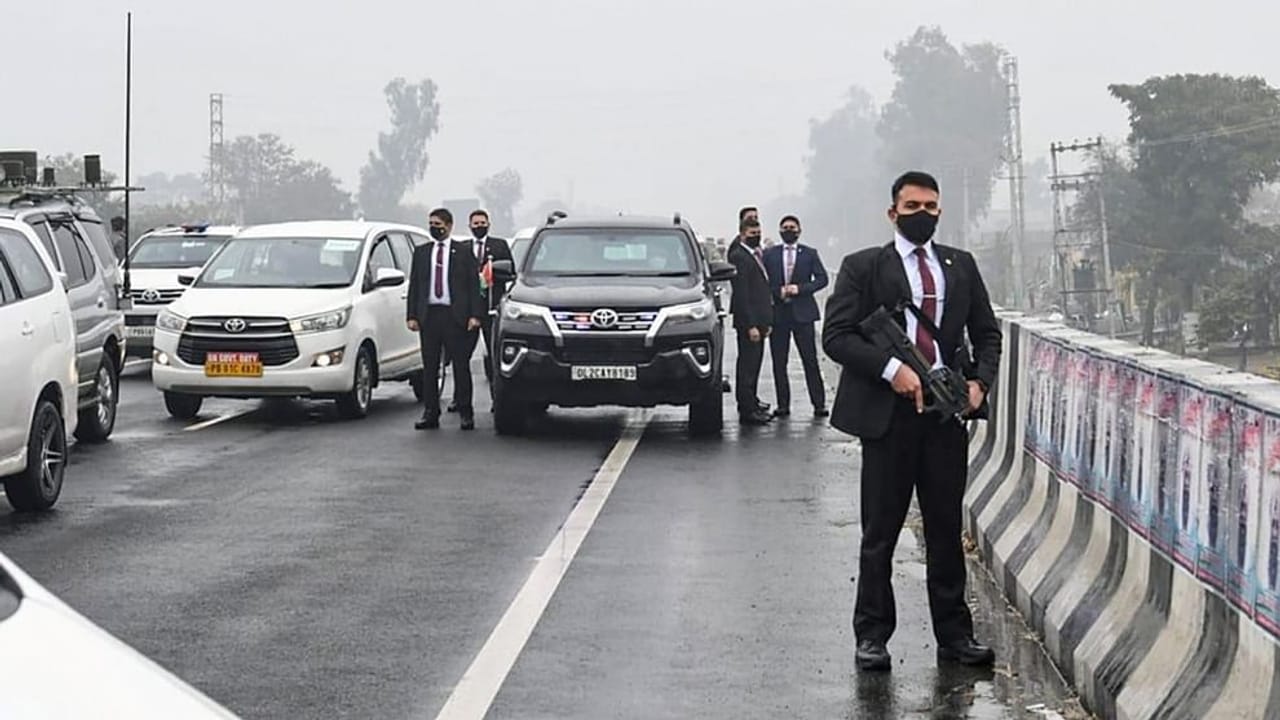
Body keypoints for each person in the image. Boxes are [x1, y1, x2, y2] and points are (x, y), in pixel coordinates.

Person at [821, 171, 1002, 672]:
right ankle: (872, 636)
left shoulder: (959, 265)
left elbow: (987, 333)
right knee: (880, 532)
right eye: (912, 206)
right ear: (892, 212)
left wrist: (979, 384)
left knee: (945, 529)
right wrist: (891, 369)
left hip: (945, 415)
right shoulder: (863, 267)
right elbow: (836, 335)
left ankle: (955, 636)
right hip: (889, 417)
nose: (923, 214)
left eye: (930, 206)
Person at [407, 208, 484, 431]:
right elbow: (415, 285)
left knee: (461, 366)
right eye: (431, 224)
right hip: (429, 316)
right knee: (430, 368)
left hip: (455, 317)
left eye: (438, 224)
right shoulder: (422, 252)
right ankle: (430, 412)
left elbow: (474, 285)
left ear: (449, 226)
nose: (434, 228)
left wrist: (475, 315)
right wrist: (412, 315)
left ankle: (466, 412)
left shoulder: (463, 252)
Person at [763, 215, 829, 418]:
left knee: (810, 360)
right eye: (785, 227)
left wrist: (800, 289)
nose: (788, 230)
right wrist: (778, 292)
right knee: (779, 362)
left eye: (792, 227)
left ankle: (819, 404)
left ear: (799, 231)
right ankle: (783, 405)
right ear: (780, 231)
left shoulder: (809, 253)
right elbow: (762, 282)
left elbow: (822, 279)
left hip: (803, 314)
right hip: (778, 314)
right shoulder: (770, 255)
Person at [726, 217, 774, 426]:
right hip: (749, 322)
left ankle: (752, 402)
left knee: (755, 365)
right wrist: (751, 325)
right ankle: (747, 409)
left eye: (758, 233)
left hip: (760, 320)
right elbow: (742, 295)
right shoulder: (740, 257)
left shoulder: (756, 255)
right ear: (742, 234)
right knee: (747, 366)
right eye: (752, 233)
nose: (756, 236)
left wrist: (767, 321)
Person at [467, 209, 513, 385]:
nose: (479, 226)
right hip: (469, 310)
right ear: (470, 226)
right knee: (462, 354)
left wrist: (491, 274)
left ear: (488, 225)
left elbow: (510, 272)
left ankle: (497, 390)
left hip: (492, 307)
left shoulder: (499, 245)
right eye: (476, 224)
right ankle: (461, 394)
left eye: (482, 223)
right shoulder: (462, 248)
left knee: (494, 352)